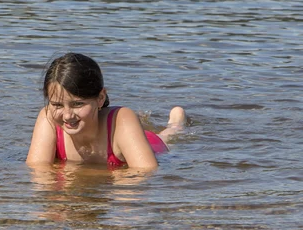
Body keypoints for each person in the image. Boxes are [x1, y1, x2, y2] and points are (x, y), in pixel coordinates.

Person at [26, 53, 186, 169]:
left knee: (167, 136)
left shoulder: (122, 119)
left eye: (77, 104)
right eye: (57, 105)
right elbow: (38, 172)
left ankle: (175, 124)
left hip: (150, 145)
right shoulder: (48, 118)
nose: (67, 115)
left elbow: (146, 172)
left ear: (100, 98)